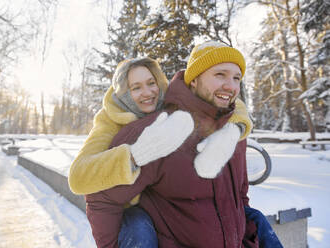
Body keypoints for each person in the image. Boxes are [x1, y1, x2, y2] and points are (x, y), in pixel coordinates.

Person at [85, 41, 283, 247]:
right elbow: (102, 198)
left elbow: (239, 197)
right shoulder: (158, 130)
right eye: (220, 75)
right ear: (194, 80)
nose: (231, 86)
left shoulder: (233, 131)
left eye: (236, 78)